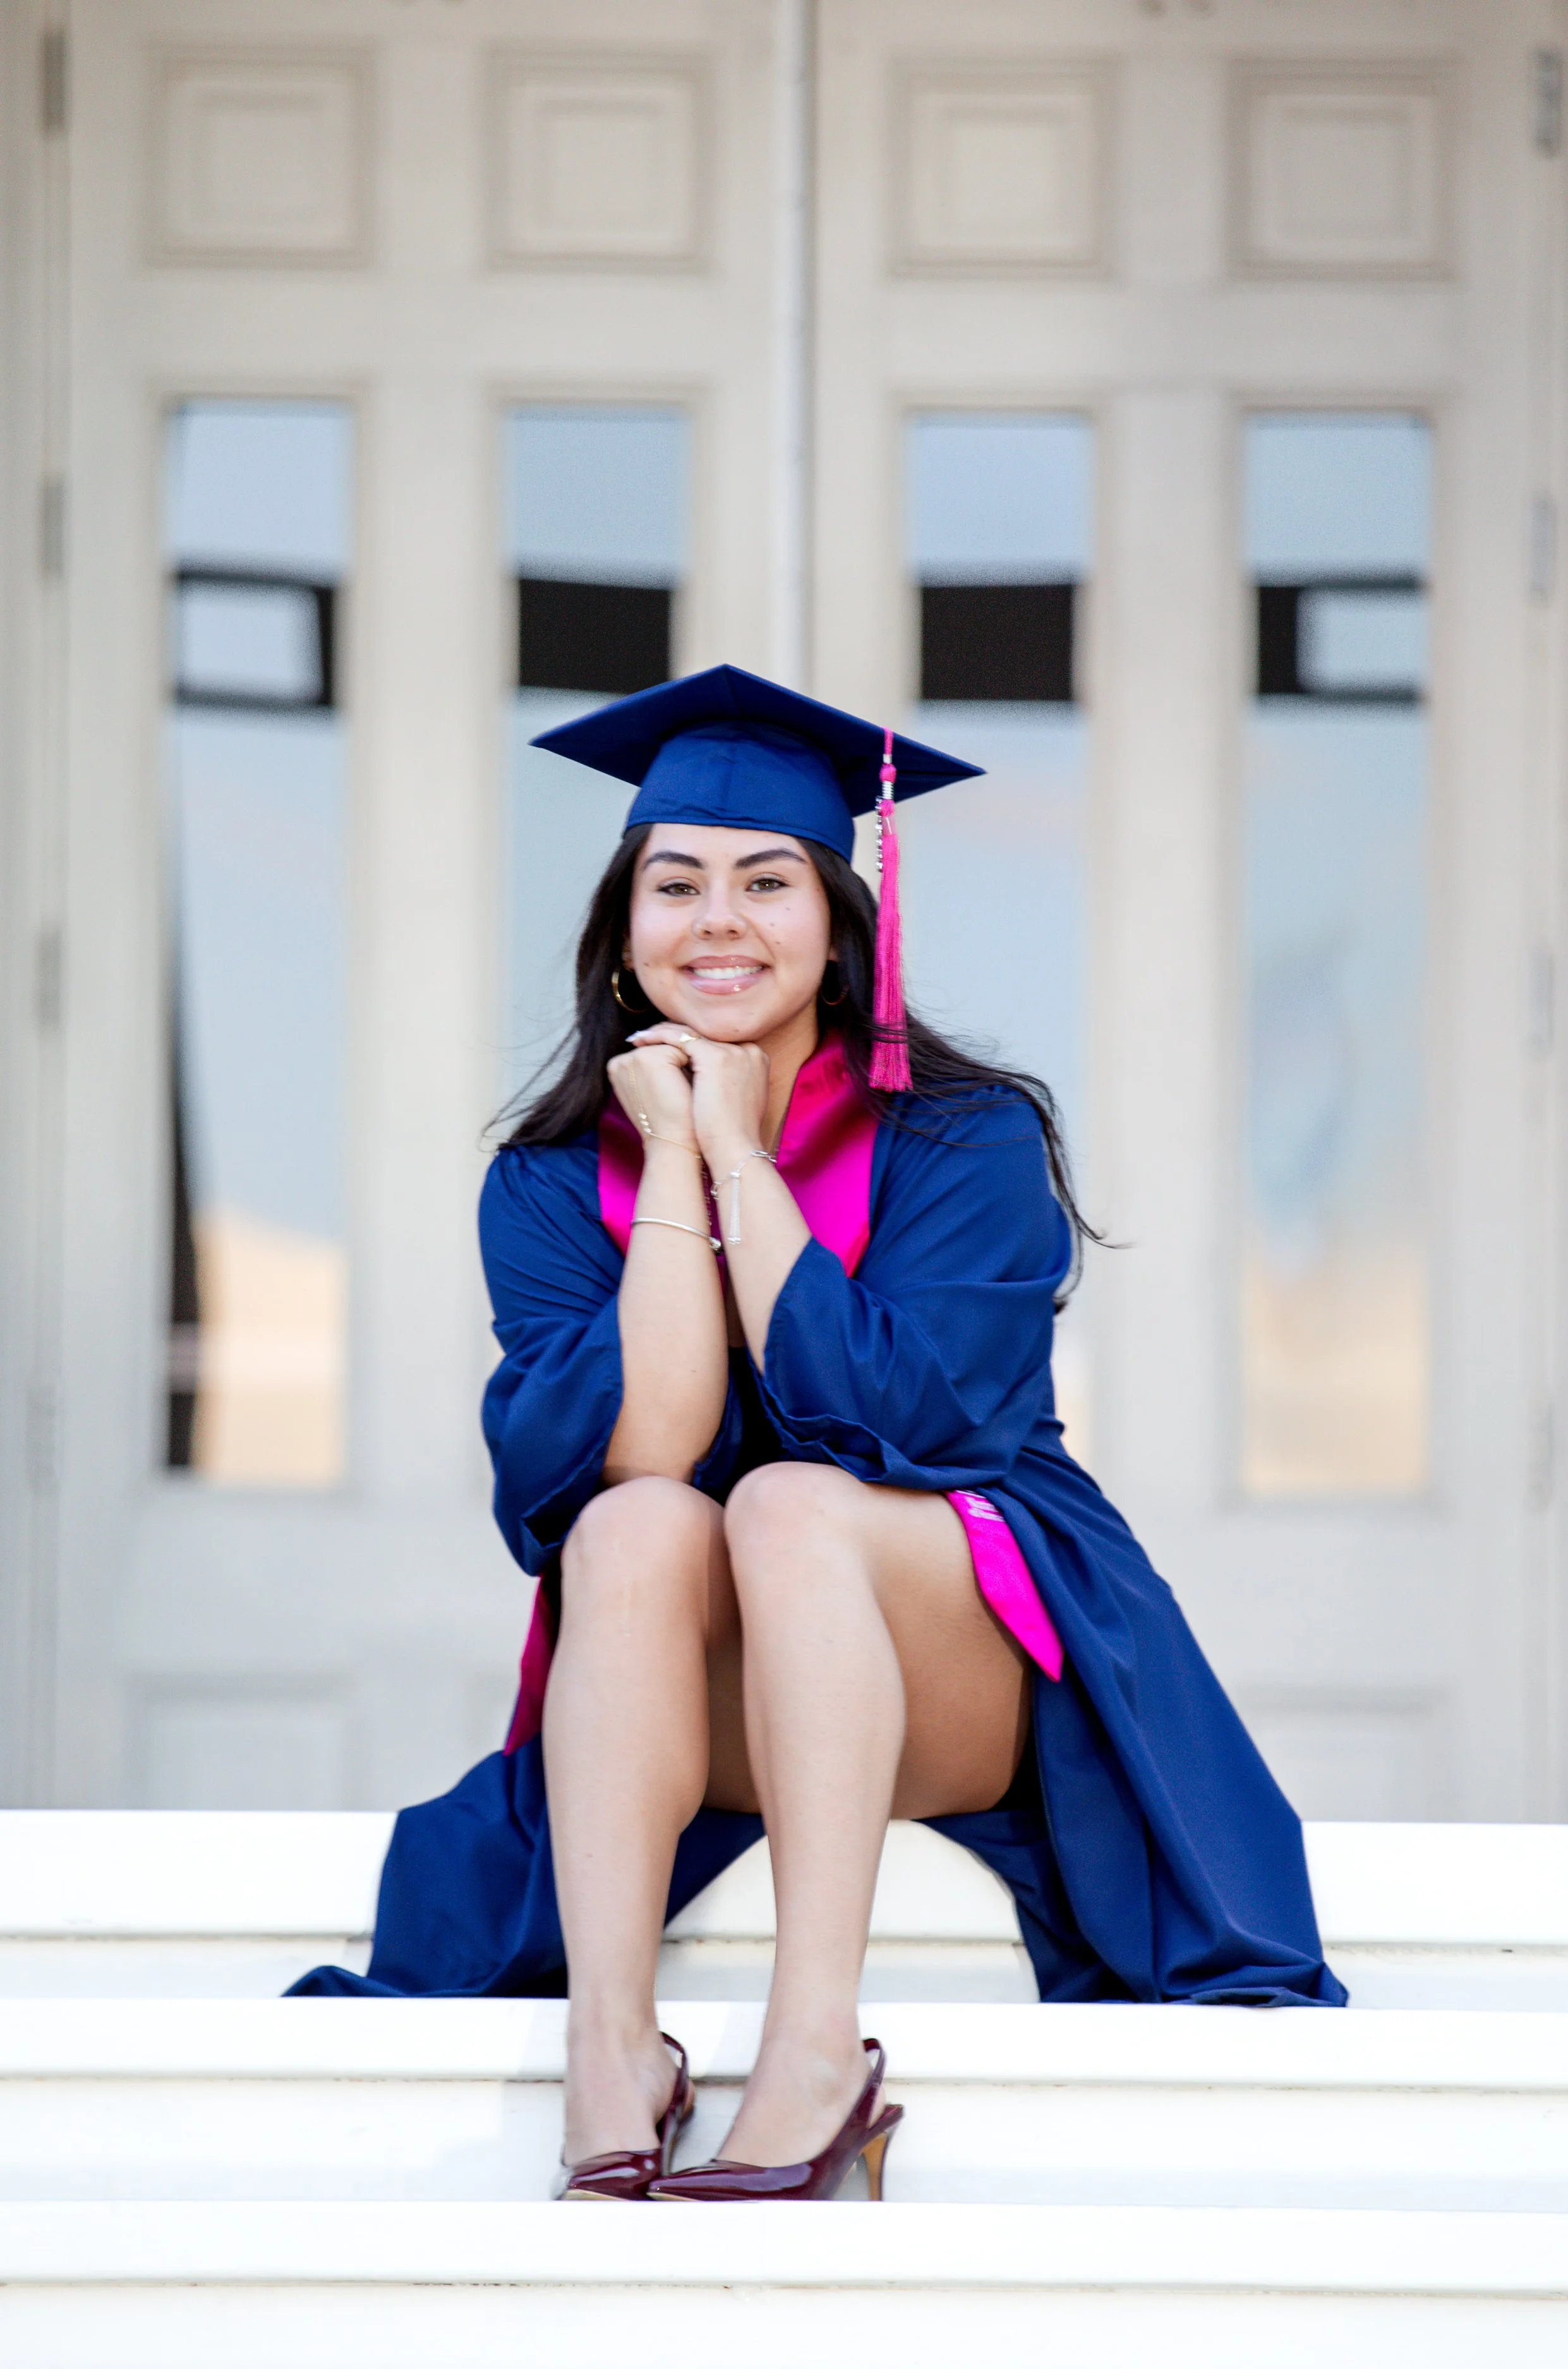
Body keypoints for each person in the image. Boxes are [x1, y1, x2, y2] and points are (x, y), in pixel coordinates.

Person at [291, 664, 1344, 2204]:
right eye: (676, 883)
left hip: (962, 1656)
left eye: (765, 880)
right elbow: (639, 1448)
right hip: (705, 1685)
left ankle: (811, 2048)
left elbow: (912, 1427)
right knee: (636, 1527)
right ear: (621, 930)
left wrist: (742, 1152)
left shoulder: (961, 1139)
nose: (717, 919)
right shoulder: (543, 1182)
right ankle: (609, 2044)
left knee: (790, 1501)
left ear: (841, 919)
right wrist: (669, 1162)